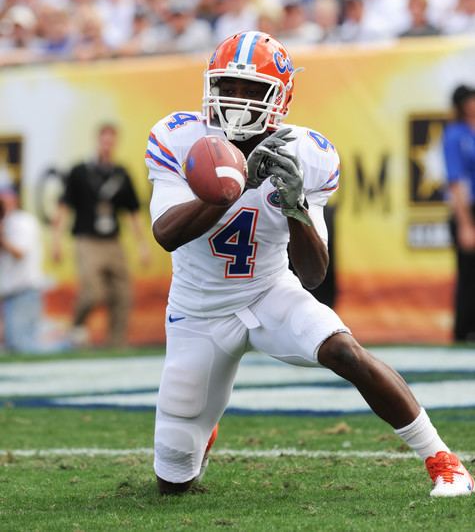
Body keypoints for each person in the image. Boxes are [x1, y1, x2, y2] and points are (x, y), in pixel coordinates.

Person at [145, 31, 474, 497]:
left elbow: (315, 274)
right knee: (173, 483)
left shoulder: (306, 153)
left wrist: (297, 208)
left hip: (268, 291)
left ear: (280, 97)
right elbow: (167, 234)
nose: (236, 101)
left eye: (251, 90)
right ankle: (202, 431)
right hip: (198, 311)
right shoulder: (178, 137)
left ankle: (443, 460)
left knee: (343, 349)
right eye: (227, 87)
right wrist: (234, 186)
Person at [52, 123, 150, 348]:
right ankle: (76, 325)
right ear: (97, 140)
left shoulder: (121, 173)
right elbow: (63, 207)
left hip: (112, 241)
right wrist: (56, 241)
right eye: (104, 139)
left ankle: (117, 343)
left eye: (111, 140)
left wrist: (142, 246)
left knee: (122, 293)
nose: (107, 145)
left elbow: (133, 213)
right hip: (87, 239)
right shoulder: (80, 171)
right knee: (93, 292)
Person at [442, 84, 475, 342]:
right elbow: (456, 181)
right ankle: (463, 330)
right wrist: (465, 223)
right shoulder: (455, 135)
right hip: (467, 208)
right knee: (468, 272)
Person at [0, 185, 44, 353]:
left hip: (24, 291)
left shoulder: (22, 221)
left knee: (23, 345)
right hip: (10, 292)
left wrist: (2, 239)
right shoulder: (7, 222)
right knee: (13, 345)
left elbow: (20, 252)